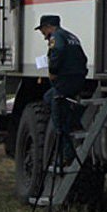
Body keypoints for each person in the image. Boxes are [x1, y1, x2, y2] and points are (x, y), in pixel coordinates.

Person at [35, 14, 88, 163]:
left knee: (59, 117)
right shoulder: (72, 37)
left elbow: (57, 51)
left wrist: (53, 70)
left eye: (43, 30)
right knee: (48, 98)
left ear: (48, 27)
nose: (43, 35)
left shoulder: (56, 36)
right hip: (78, 79)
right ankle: (75, 120)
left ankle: (66, 153)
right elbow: (84, 58)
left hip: (65, 80)